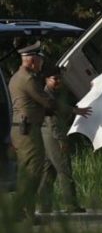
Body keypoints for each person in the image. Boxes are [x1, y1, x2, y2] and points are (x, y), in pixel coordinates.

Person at [8, 42, 91, 221]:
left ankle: (21, 211)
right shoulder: (28, 79)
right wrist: (74, 110)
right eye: (39, 60)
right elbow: (48, 103)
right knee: (33, 171)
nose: (41, 64)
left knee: (28, 171)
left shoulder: (16, 77)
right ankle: (26, 212)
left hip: (22, 130)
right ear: (31, 60)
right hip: (28, 131)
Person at [36, 65, 85, 213]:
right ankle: (71, 205)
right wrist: (61, 140)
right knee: (64, 169)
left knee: (49, 171)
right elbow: (53, 122)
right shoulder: (48, 96)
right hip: (53, 136)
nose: (58, 81)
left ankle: (44, 205)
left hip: (47, 136)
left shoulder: (53, 94)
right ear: (46, 79)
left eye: (59, 78)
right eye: (55, 79)